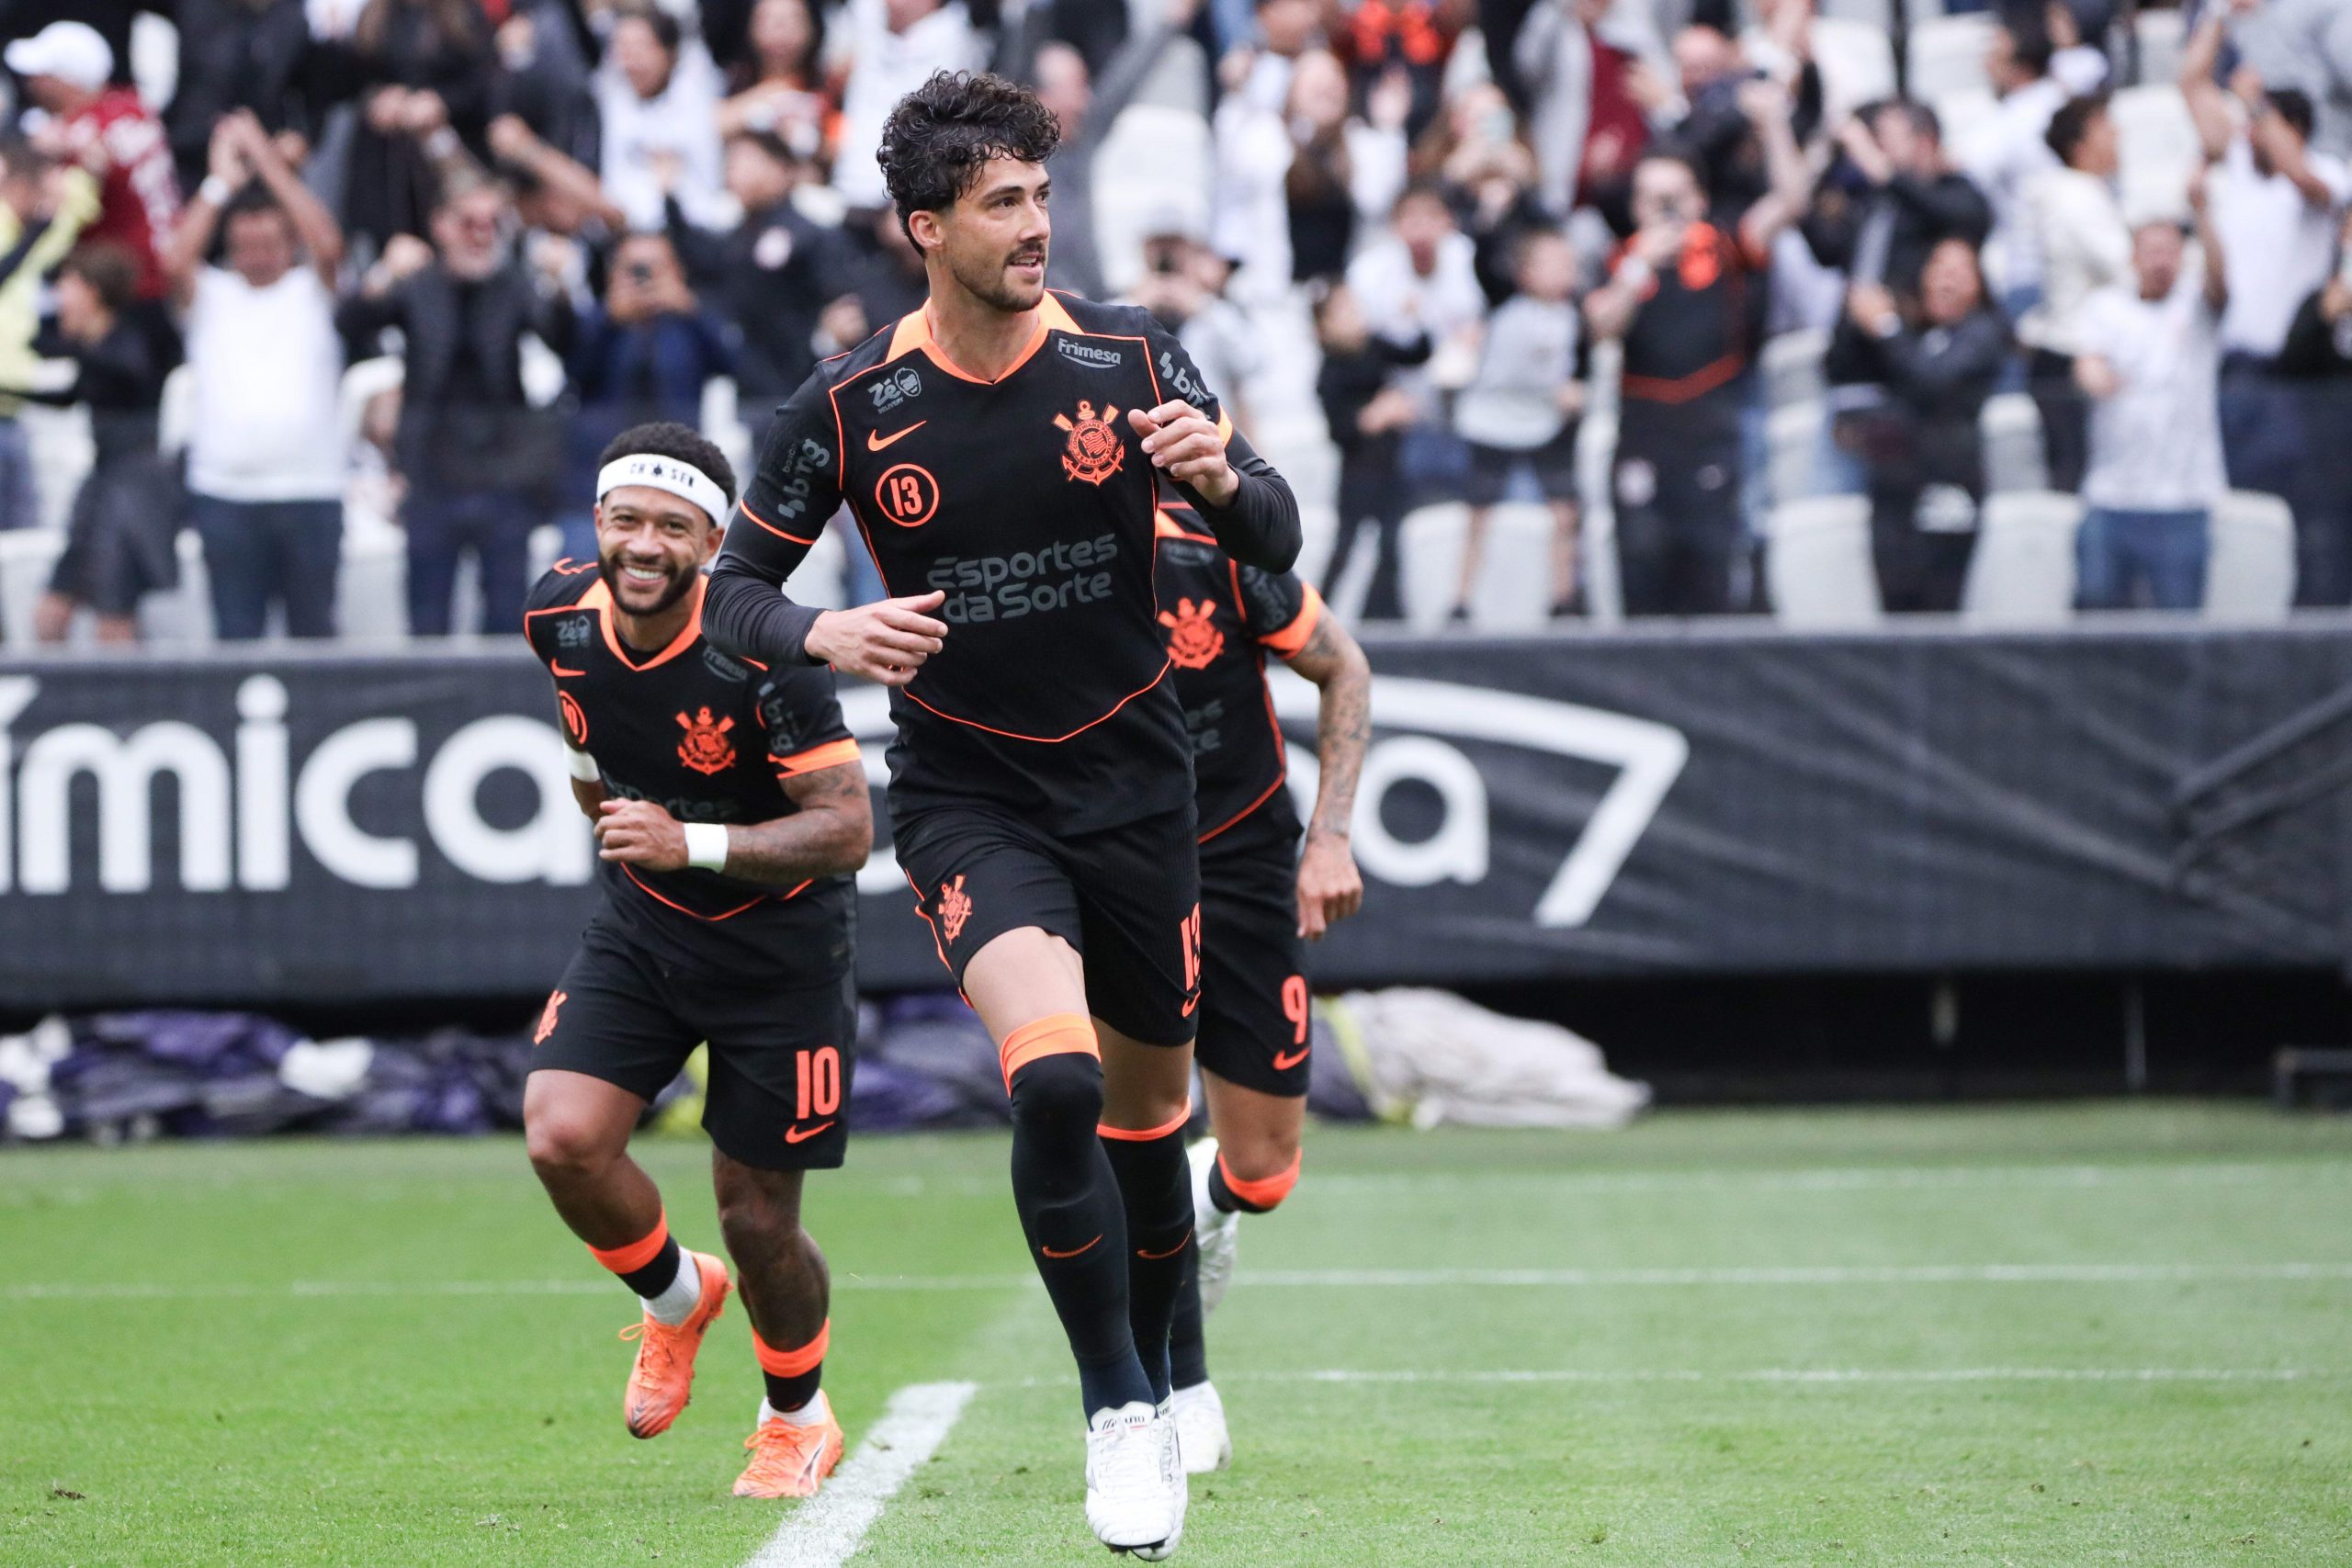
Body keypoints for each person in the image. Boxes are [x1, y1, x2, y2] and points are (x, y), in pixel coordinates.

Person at [703, 70, 1302, 1558]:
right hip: (971, 793)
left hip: (1136, 782)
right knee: (1053, 1079)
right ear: (926, 227)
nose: (1037, 224)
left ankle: (1176, 1369)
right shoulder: (847, 406)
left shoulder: (1129, 357)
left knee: (1153, 1121)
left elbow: (1278, 537)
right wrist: (818, 637)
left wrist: (1228, 482)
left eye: (1043, 194)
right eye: (1003, 202)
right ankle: (1117, 1410)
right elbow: (730, 594)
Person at [521, 420, 871, 1500]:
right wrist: (633, 836)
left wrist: (693, 843)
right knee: (563, 1137)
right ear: (598, 524)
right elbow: (585, 735)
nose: (642, 545)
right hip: (646, 923)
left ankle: (796, 1418)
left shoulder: (768, 652)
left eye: (672, 528)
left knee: (759, 1219)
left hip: (783, 948)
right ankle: (676, 1300)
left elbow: (849, 829)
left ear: (710, 544)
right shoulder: (555, 611)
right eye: (625, 520)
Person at [1148, 500, 1369, 1476]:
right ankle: (1170, 1387)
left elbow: (1343, 665)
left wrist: (1327, 838)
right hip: (1111, 870)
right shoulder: (1014, 565)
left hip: (1240, 863)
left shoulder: (1213, 552)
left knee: (1264, 1174)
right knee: (1127, 1118)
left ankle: (1210, 1197)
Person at [1585, 84, 1807, 616]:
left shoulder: (1728, 246)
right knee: (1640, 567)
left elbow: (1791, 203)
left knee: (1710, 570)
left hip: (1712, 428)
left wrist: (1773, 124)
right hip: (1644, 430)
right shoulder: (1621, 261)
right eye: (1652, 200)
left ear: (1699, 199)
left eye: (1676, 198)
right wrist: (1640, 266)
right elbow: (1600, 327)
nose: (1666, 211)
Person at [337, 166, 574, 636]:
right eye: (469, 222)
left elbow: (566, 343)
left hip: (503, 475)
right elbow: (350, 327)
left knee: (507, 617)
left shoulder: (516, 285)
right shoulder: (418, 284)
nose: (481, 235)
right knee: (427, 616)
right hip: (431, 476)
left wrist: (560, 286)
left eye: (493, 224)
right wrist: (382, 274)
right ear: (441, 225)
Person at [2181, 10, 2352, 604]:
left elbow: (2301, 174)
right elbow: (2193, 84)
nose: (2251, 131)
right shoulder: (2238, 175)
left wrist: (2254, 105)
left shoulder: (2324, 176)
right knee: (2241, 515)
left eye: (2265, 122)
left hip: (2297, 376)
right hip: (2236, 372)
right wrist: (2218, 20)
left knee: (2305, 513)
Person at [164, 111, 348, 641]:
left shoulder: (312, 291)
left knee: (314, 637)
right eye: (245, 246)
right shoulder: (212, 295)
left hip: (310, 489)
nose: (257, 257)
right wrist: (221, 181)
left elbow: (328, 244)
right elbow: (176, 261)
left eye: (269, 244)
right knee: (234, 637)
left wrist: (267, 163)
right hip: (225, 493)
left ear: (287, 243)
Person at [2073, 176, 2229, 613]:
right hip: (2112, 495)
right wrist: (2094, 375)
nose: (2161, 261)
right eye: (2152, 250)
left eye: (2170, 251)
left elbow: (2220, 281)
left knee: (2180, 619)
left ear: (2182, 257)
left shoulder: (2196, 308)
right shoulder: (2105, 307)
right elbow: (2088, 362)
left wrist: (2203, 214)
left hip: (2183, 499)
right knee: (2096, 607)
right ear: (2133, 256)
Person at [1837, 238, 2012, 613]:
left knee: (1939, 606)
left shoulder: (1983, 332)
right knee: (1891, 604)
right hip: (1895, 491)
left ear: (1978, 285)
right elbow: (1840, 366)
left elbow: (1934, 382)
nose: (1945, 281)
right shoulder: (1914, 332)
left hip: (1948, 486)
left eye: (1958, 273)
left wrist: (1885, 326)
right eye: (1938, 269)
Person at [25, 243, 180, 643]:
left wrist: (74, 345)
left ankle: (125, 701)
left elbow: (129, 372)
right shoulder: (92, 348)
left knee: (114, 614)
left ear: (93, 292)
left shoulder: (128, 339)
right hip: (101, 477)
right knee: (50, 613)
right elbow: (69, 395)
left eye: (68, 285)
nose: (60, 296)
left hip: (134, 485)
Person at [561, 231, 732, 562]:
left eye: (655, 268)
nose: (645, 279)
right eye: (634, 269)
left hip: (678, 479)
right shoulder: (600, 321)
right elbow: (573, 373)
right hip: (596, 480)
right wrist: (609, 319)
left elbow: (733, 364)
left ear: (677, 271)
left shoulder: (688, 321)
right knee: (582, 581)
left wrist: (690, 309)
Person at [1450, 225, 1586, 622]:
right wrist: (1559, 392)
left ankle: (1563, 598)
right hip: (1493, 424)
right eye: (1554, 263)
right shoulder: (1509, 316)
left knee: (1563, 511)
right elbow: (1526, 372)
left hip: (1545, 425)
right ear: (1525, 273)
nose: (1566, 271)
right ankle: (1462, 599)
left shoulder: (1568, 317)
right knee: (1480, 514)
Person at [6, 22, 179, 302]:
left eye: (43, 75)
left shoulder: (77, 136)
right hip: (163, 263)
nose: (32, 82)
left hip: (126, 286)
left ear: (67, 80)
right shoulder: (132, 104)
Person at [2020, 92, 2129, 495]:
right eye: (2105, 128)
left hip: (2068, 357)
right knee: (2076, 484)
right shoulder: (2077, 198)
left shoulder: (2085, 193)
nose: (2118, 135)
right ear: (2080, 147)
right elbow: (2128, 272)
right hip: (2071, 361)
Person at [0, 137, 99, 533]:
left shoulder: (38, 230)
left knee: (22, 531)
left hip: (13, 403)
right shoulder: (13, 227)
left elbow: (81, 204)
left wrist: (72, 165)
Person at [1314, 277, 1426, 622]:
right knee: (1346, 545)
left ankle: (1385, 616)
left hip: (1390, 465)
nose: (1354, 316)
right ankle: (1316, 617)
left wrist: (1411, 320)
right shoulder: (1330, 372)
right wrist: (1377, 415)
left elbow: (1416, 353)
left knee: (1391, 544)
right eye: (1343, 311)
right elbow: (1340, 429)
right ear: (1323, 326)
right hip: (1357, 471)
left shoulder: (1376, 347)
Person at [598, 6, 728, 231]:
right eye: (623, 49)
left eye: (641, 48)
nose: (631, 60)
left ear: (670, 53)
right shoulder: (604, 98)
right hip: (618, 229)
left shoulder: (697, 98)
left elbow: (709, 188)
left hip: (690, 231)